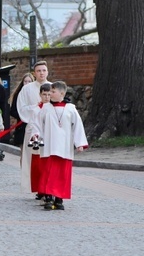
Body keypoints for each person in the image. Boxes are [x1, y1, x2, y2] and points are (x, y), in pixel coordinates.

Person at [34, 81, 88, 210]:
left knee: (61, 174)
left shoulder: (71, 109)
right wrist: (36, 134)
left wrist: (79, 143)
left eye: (53, 92)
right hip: (49, 145)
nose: (50, 94)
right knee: (48, 172)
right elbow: (37, 123)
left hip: (64, 146)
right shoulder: (46, 108)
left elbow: (77, 126)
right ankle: (48, 197)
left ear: (62, 93)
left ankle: (59, 198)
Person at [16, 60, 51, 195]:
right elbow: (22, 108)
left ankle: (47, 187)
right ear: (34, 73)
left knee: (47, 159)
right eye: (38, 71)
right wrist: (37, 107)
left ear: (47, 72)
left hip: (48, 130)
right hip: (33, 129)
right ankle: (36, 187)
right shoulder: (27, 89)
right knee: (33, 160)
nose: (41, 73)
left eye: (44, 70)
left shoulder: (52, 87)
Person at [9, 72, 34, 146]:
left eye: (29, 81)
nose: (27, 83)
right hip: (21, 125)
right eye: (25, 81)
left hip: (33, 124)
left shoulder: (36, 93)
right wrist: (23, 115)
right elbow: (12, 111)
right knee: (23, 149)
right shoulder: (18, 94)